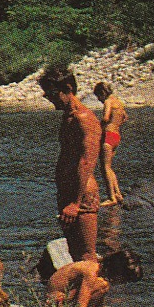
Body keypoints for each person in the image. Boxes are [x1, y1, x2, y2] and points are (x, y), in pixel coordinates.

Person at [39, 65, 102, 262]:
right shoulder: (68, 117)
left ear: (68, 88)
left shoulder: (84, 119)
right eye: (45, 93)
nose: (47, 97)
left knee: (87, 256)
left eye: (51, 92)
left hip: (81, 196)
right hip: (68, 194)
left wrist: (76, 203)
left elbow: (86, 162)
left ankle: (93, 292)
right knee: (75, 255)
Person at [44, 246, 142, 307]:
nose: (123, 283)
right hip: (55, 302)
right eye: (125, 279)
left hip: (62, 299)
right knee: (102, 288)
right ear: (118, 270)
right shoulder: (92, 273)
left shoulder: (99, 274)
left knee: (102, 291)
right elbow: (80, 306)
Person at [93, 82, 126, 207]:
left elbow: (106, 117)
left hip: (108, 136)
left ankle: (111, 197)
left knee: (104, 167)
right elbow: (124, 117)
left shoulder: (108, 101)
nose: (99, 100)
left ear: (102, 93)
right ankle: (118, 194)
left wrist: (98, 127)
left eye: (98, 97)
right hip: (116, 136)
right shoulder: (118, 102)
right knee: (109, 167)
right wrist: (115, 125)